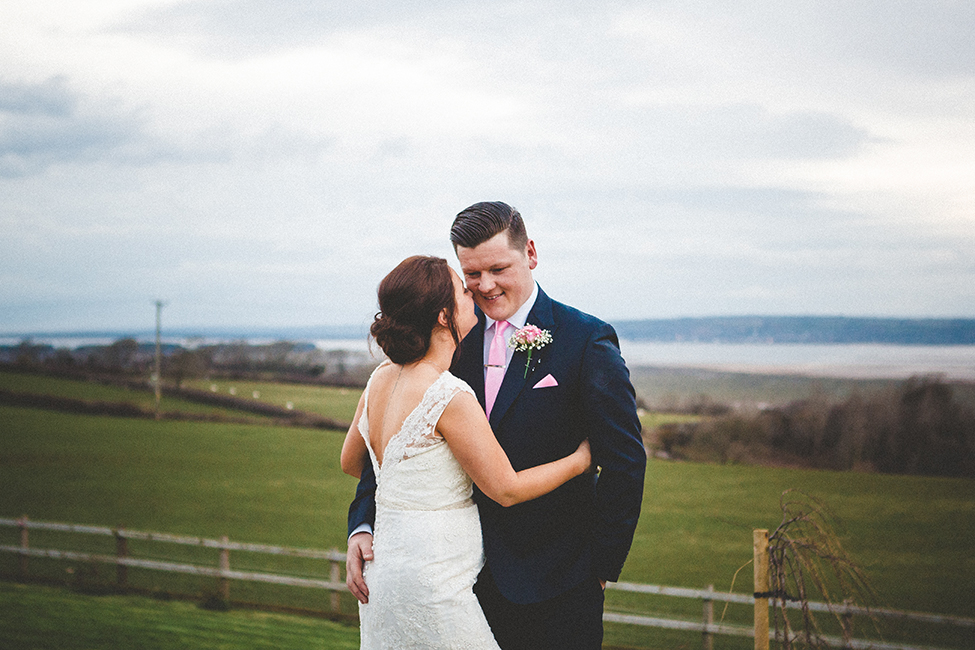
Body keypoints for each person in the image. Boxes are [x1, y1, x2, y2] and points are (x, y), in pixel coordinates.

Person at [347, 202, 647, 650]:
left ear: (530, 253)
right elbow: (391, 448)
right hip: (452, 580)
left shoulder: (585, 339)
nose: (485, 286)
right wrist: (363, 525)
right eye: (471, 274)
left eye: (498, 268)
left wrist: (599, 567)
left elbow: (624, 460)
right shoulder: (444, 340)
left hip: (556, 580)